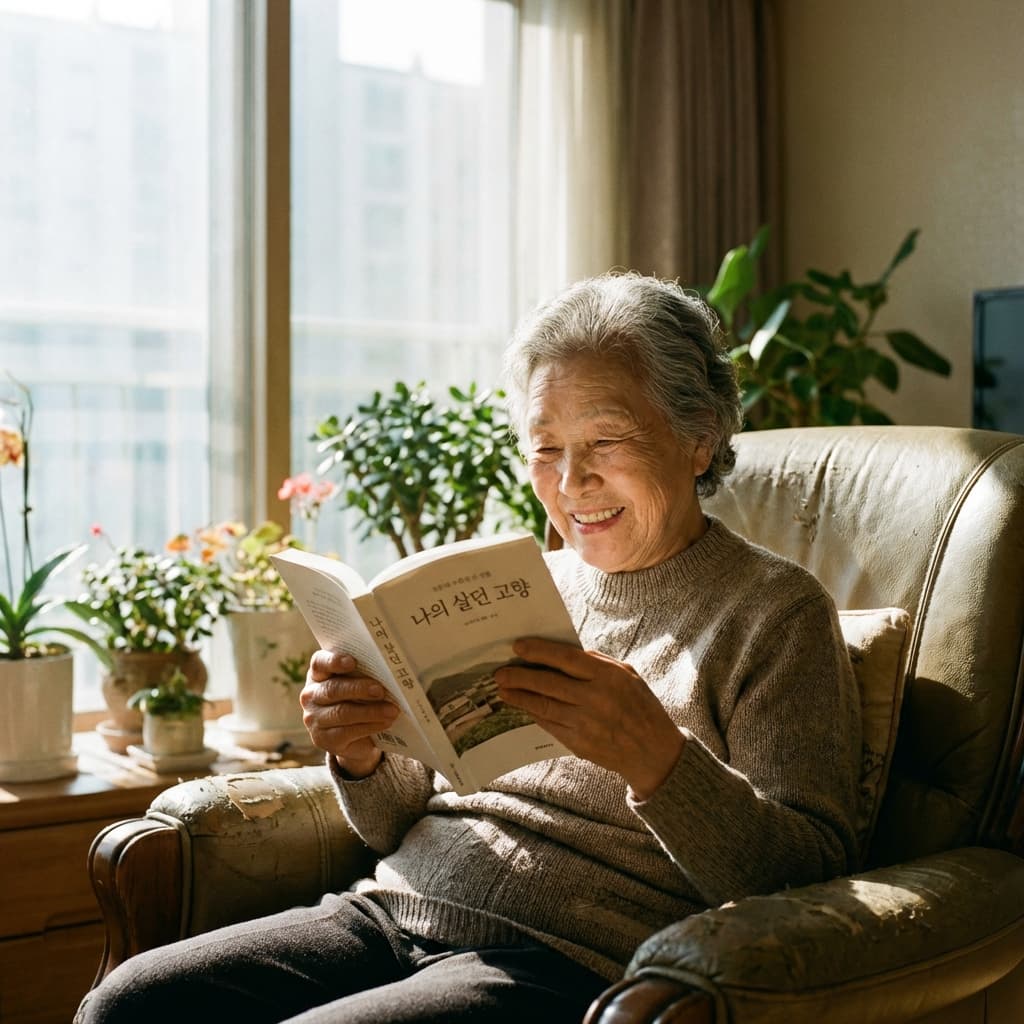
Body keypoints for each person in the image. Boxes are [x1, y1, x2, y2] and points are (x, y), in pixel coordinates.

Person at [77, 272, 862, 1024]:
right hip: (389, 910)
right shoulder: (514, 588)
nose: (572, 480)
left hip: (567, 962)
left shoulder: (776, 612)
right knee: (132, 1004)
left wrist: (657, 758)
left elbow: (806, 879)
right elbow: (393, 820)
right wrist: (361, 753)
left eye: (606, 439)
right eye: (545, 447)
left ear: (700, 438)